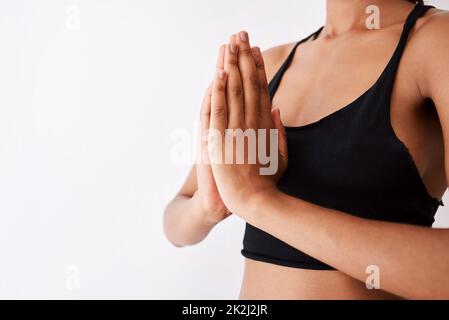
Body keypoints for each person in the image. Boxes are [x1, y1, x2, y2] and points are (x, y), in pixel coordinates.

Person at [164, 0, 449, 299]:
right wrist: (207, 207)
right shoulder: (269, 67)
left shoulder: (434, 41)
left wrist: (257, 200)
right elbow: (175, 221)